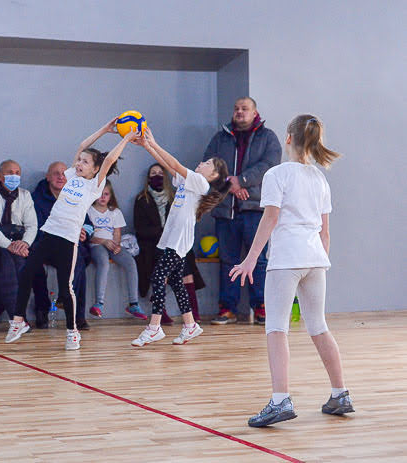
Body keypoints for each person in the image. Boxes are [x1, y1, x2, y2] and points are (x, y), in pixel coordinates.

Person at [230, 115, 354, 427]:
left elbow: (269, 219)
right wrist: (318, 262)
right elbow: (325, 233)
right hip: (315, 260)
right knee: (318, 326)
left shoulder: (277, 174)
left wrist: (249, 259)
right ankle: (340, 394)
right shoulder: (319, 179)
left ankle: (279, 400)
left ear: (288, 138)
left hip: (286, 260)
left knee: (276, 328)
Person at [6, 118, 135, 350]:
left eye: (85, 162)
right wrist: (105, 129)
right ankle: (18, 321)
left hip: (68, 239)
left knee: (67, 287)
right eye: (79, 160)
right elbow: (82, 144)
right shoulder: (72, 176)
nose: (79, 163)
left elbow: (110, 160)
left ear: (95, 169)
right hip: (48, 233)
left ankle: (72, 331)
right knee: (26, 273)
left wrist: (125, 138)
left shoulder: (94, 185)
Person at [130, 128, 230, 347]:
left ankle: (154, 327)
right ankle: (190, 325)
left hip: (179, 242)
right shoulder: (188, 182)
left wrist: (153, 142)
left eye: (207, 164)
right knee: (176, 282)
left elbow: (174, 164)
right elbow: (167, 166)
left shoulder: (200, 183)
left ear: (213, 175)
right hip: (172, 238)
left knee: (158, 277)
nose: (201, 163)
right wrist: (148, 145)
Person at [203, 97, 281, 325]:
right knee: (228, 260)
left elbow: (269, 165)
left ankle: (261, 308)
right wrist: (231, 184)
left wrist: (243, 181)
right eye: (236, 108)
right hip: (225, 211)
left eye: (244, 108)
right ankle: (227, 308)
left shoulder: (268, 138)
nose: (239, 112)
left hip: (255, 210)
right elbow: (208, 165)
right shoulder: (220, 138)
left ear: (255, 112)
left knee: (258, 259)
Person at [133, 163, 205, 324]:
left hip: (176, 242)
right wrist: (162, 232)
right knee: (161, 273)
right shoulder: (141, 199)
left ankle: (191, 314)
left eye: (160, 173)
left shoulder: (175, 196)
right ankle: (159, 316)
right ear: (148, 178)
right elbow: (140, 229)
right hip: (153, 243)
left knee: (184, 268)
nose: (157, 176)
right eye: (153, 173)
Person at [31, 161, 94, 330]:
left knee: (78, 259)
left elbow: (88, 224)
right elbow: (35, 227)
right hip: (47, 243)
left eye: (64, 174)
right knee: (35, 264)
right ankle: (42, 311)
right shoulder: (36, 198)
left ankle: (77, 316)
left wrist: (84, 233)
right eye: (56, 173)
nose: (60, 177)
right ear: (47, 177)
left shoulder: (75, 194)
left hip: (70, 244)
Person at [0, 159, 37, 318]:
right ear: (0, 175)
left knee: (24, 267)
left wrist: (24, 244)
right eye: (9, 173)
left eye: (17, 173)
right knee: (6, 268)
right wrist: (8, 245)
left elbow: (32, 225)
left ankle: (23, 314)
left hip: (20, 242)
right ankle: (16, 318)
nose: (14, 176)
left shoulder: (25, 196)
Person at [87, 180, 142, 318]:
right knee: (103, 262)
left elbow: (117, 232)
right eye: (100, 194)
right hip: (97, 245)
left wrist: (116, 245)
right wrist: (104, 241)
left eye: (106, 194)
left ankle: (134, 304)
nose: (103, 197)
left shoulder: (115, 212)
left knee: (130, 262)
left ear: (110, 196)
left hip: (112, 245)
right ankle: (99, 303)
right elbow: (88, 236)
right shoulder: (88, 211)